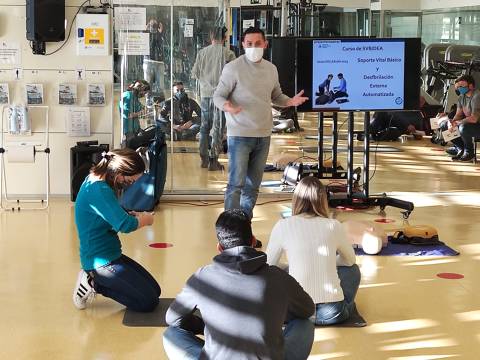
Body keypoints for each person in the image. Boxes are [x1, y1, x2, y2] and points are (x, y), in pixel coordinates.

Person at [163, 209, 315, 360]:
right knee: (305, 324)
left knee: (171, 334)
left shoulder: (203, 277)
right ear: (253, 241)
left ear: (219, 248)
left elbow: (172, 318)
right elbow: (307, 309)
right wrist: (274, 313)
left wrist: (205, 326)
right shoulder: (278, 276)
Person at [213, 27, 308, 221]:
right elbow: (218, 95)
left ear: (265, 44)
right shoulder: (233, 68)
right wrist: (227, 106)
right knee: (235, 184)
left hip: (263, 136)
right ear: (243, 45)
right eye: (249, 44)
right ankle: (230, 228)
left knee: (252, 187)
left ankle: (244, 225)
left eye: (257, 43)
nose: (253, 47)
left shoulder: (271, 69)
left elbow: (276, 96)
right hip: (239, 135)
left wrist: (289, 101)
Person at [72, 148, 160, 312]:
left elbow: (107, 214)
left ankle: (98, 281)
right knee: (148, 303)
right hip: (99, 263)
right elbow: (124, 225)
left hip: (112, 254)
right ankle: (94, 283)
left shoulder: (101, 179)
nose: (131, 184)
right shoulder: (98, 189)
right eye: (131, 180)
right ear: (119, 173)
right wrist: (146, 220)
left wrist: (129, 214)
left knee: (155, 291)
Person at [266, 176, 361, 326]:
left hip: (295, 311)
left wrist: (290, 265)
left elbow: (268, 265)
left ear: (296, 199)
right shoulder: (334, 225)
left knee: (282, 271)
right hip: (331, 312)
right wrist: (330, 261)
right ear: (323, 200)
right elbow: (350, 261)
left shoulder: (283, 225)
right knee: (353, 270)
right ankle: (346, 307)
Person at [192, 26, 236, 171]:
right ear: (224, 38)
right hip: (221, 96)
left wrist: (206, 82)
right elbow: (235, 75)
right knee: (218, 128)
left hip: (205, 95)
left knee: (204, 127)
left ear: (211, 37)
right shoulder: (228, 53)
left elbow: (195, 73)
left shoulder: (201, 53)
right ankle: (213, 160)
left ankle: (203, 158)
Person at [443, 75, 480, 161]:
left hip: (477, 124)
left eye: (461, 86)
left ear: (470, 85)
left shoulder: (477, 96)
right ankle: (460, 148)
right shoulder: (461, 97)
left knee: (463, 127)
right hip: (470, 124)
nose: (459, 89)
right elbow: (458, 114)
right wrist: (452, 122)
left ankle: (469, 152)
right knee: (445, 125)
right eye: (457, 87)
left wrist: (458, 123)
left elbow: (474, 119)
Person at [144, 19, 166, 98]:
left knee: (160, 85)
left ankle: (160, 103)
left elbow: (162, 45)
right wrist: (146, 32)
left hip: (159, 62)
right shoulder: (147, 35)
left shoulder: (160, 35)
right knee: (147, 85)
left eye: (154, 25)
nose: (153, 27)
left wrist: (160, 33)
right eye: (151, 25)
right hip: (148, 60)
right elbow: (144, 44)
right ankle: (149, 103)